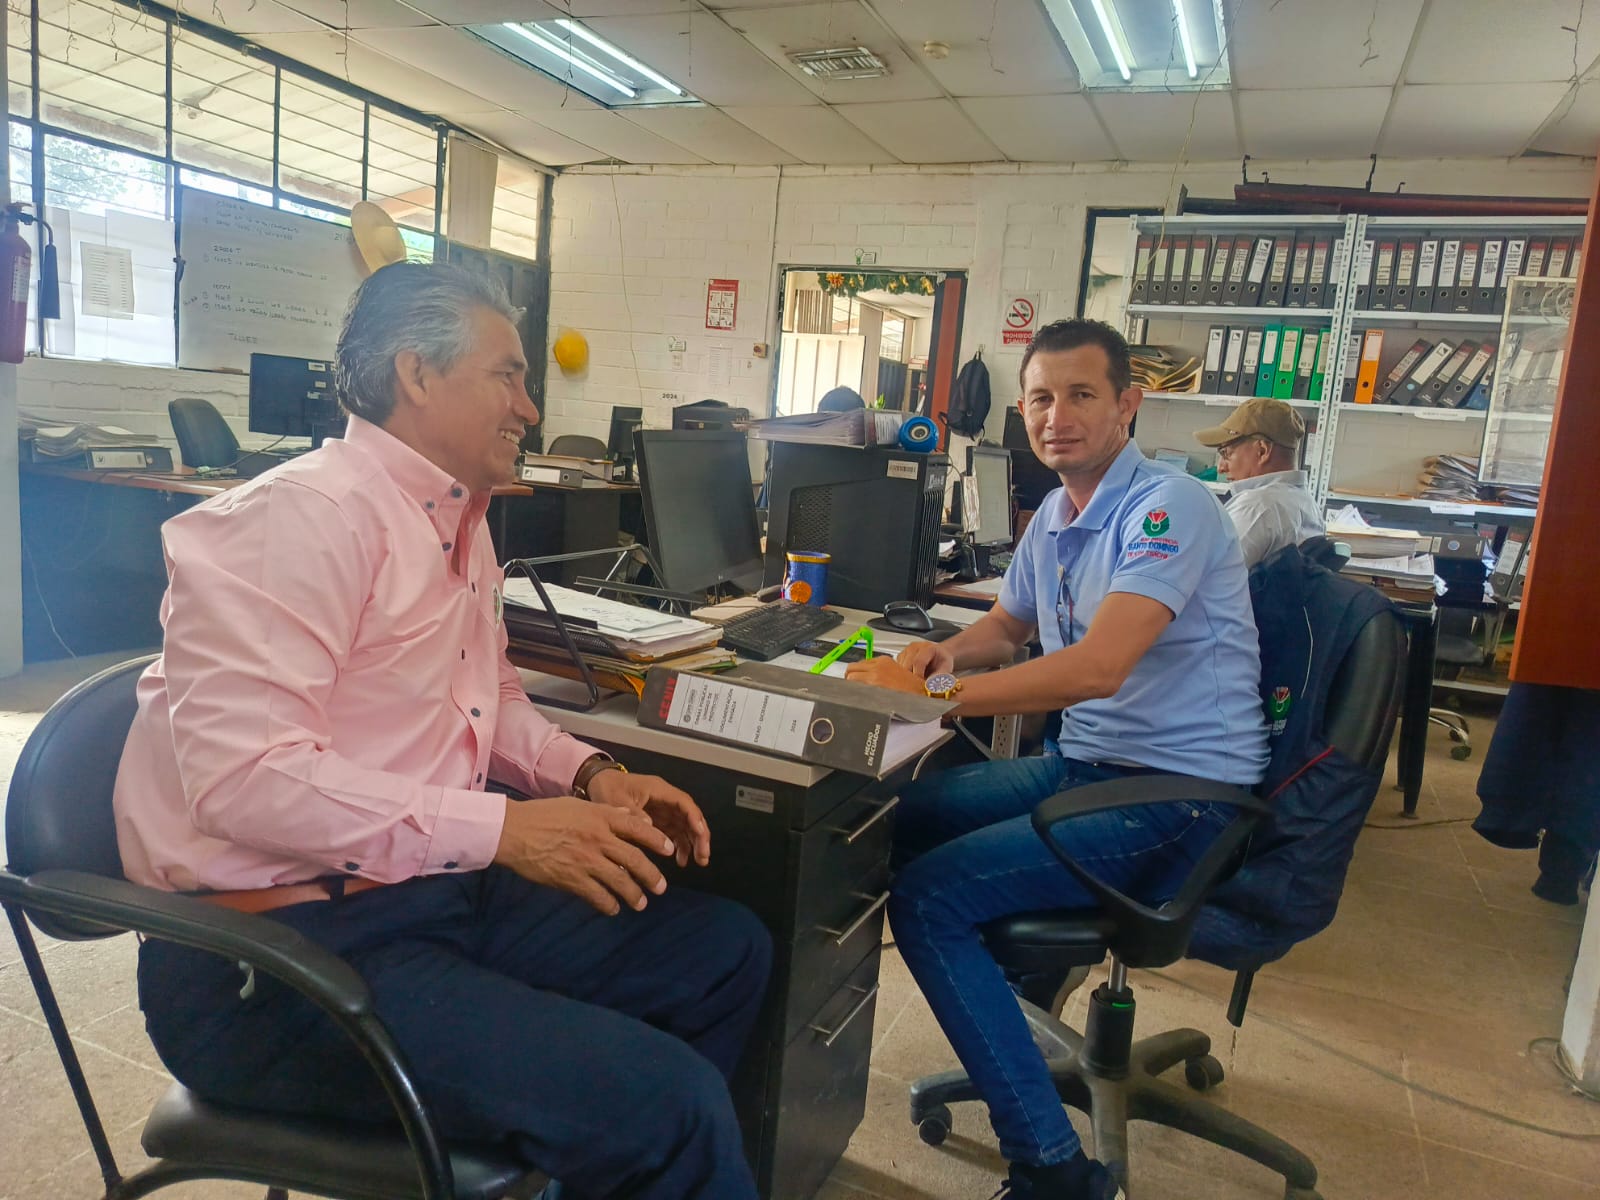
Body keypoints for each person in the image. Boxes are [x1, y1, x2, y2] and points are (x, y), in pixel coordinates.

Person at [113, 262, 771, 1200]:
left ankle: (606, 1160)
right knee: (673, 1105)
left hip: (425, 893)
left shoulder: (458, 518)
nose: (530, 408)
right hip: (274, 956)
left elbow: (486, 700)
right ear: (417, 374)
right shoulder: (297, 521)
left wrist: (591, 776)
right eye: (507, 376)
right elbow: (246, 782)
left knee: (724, 952)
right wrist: (504, 831)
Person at [845, 318, 1268, 1200]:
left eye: (1081, 395)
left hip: (1179, 796)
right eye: (1040, 397)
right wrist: (943, 655)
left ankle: (1055, 1171)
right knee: (882, 817)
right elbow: (1010, 626)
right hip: (1093, 770)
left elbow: (1097, 668)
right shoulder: (1057, 515)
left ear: (1127, 405)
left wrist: (929, 699)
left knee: (931, 900)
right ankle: (1008, 997)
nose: (1056, 416)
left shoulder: (1168, 507)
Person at [1192, 397, 1324, 567]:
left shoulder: (1257, 506)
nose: (1220, 468)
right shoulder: (1307, 503)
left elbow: (1205, 573)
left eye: (1226, 454)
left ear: (1262, 450)